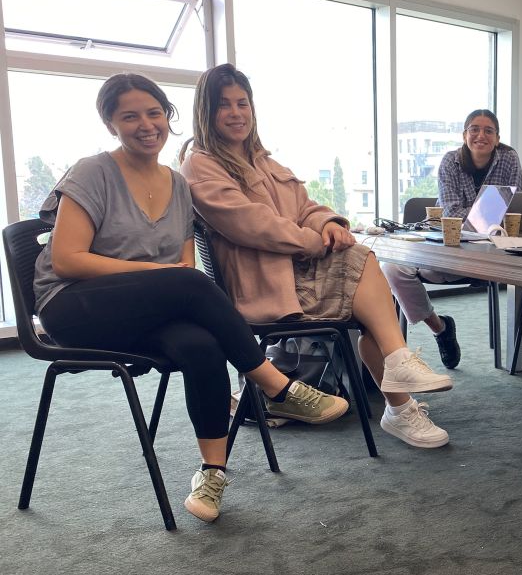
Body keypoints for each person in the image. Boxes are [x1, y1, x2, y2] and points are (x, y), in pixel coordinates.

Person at [32, 73, 349, 523]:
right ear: (110, 124)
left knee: (201, 346)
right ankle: (274, 384)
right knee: (190, 282)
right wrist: (158, 274)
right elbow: (66, 260)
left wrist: (166, 278)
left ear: (168, 117)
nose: (146, 124)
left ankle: (212, 472)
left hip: (148, 307)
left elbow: (181, 265)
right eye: (130, 116)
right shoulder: (93, 171)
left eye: (154, 113)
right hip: (74, 305)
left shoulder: (178, 184)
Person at [180, 64, 453, 450]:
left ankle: (399, 385)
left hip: (299, 273)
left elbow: (305, 205)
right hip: (265, 287)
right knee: (362, 263)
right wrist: (314, 241)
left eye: (243, 103)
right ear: (206, 112)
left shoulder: (264, 162)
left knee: (363, 279)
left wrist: (327, 223)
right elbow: (252, 224)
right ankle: (399, 393)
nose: (236, 112)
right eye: (224, 105)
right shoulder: (200, 164)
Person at [381, 108, 522, 369]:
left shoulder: (509, 158)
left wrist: (482, 219)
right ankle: (440, 328)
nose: (481, 135)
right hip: (450, 250)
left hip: (490, 255)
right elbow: (450, 212)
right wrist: (489, 216)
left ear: (497, 136)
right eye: (475, 129)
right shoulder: (450, 161)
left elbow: (516, 205)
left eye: (488, 130)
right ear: (464, 134)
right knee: (391, 267)